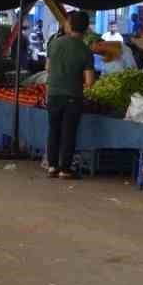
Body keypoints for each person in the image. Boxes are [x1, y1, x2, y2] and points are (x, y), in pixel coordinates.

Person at [44, 10, 97, 180]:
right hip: (73, 96)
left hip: (53, 94)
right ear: (86, 28)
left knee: (54, 131)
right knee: (68, 133)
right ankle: (65, 169)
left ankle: (52, 167)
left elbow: (47, 68)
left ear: (69, 25)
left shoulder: (54, 43)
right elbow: (89, 81)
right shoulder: (86, 51)